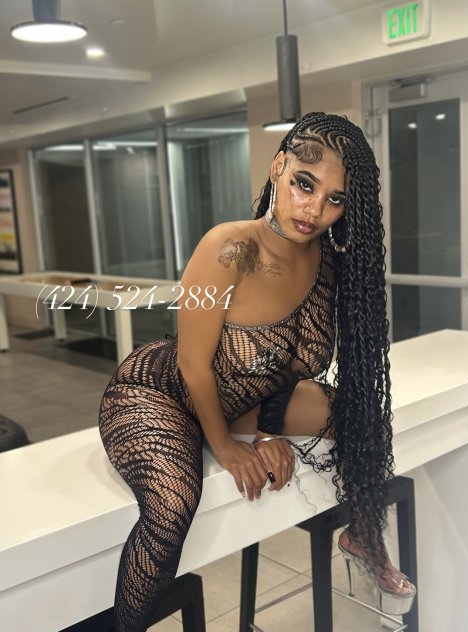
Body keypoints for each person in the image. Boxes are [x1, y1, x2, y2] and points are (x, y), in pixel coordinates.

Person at [99, 111, 416, 631]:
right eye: (304, 184)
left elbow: (287, 368)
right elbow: (192, 364)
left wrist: (268, 429)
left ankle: (363, 535)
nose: (314, 209)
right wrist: (226, 446)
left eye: (334, 199)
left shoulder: (329, 264)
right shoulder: (230, 247)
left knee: (365, 419)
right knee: (173, 502)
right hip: (159, 393)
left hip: (244, 400)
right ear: (277, 168)